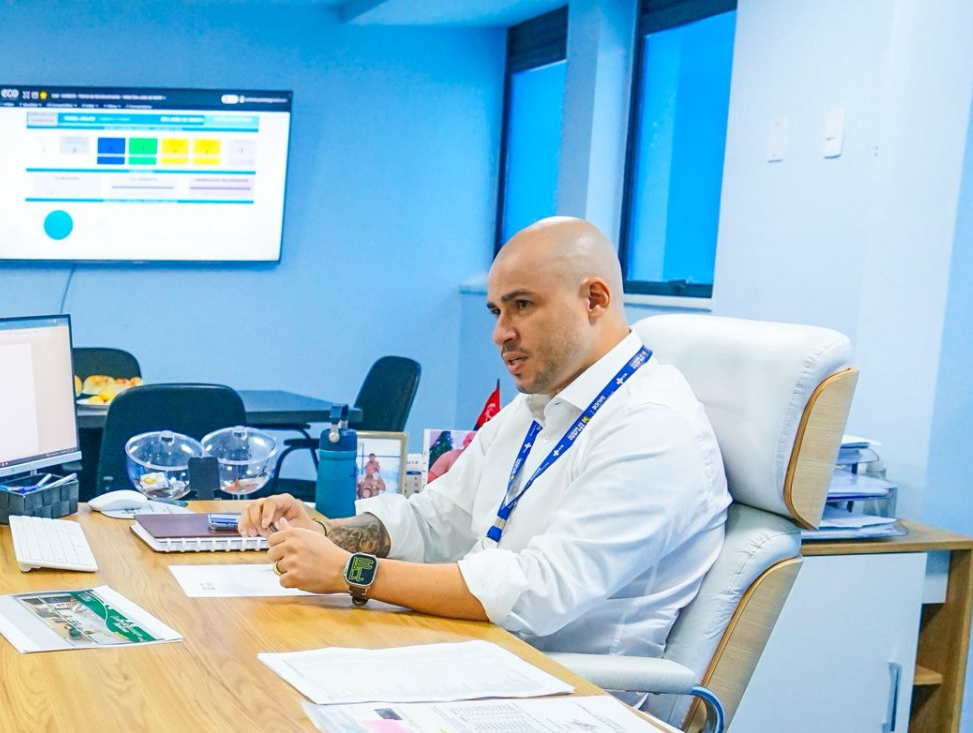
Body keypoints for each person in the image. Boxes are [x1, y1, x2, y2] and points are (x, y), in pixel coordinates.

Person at [241, 217, 729, 657]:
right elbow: (433, 521)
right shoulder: (536, 408)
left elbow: (537, 593)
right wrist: (326, 532)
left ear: (594, 299)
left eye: (522, 306)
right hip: (475, 650)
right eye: (496, 311)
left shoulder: (652, 428)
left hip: (565, 693)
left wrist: (353, 572)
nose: (500, 333)